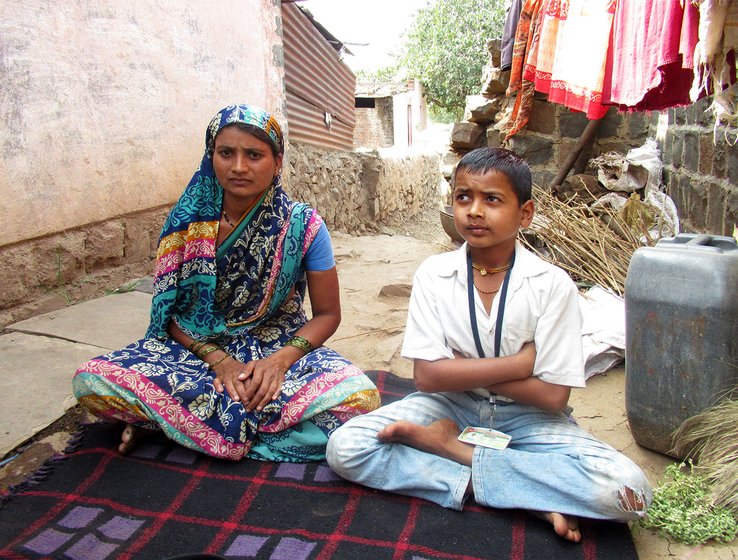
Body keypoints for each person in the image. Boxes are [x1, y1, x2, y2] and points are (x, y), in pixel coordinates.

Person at [326, 147, 652, 542]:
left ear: (525, 214)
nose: (474, 210)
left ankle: (455, 453)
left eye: (492, 199)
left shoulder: (552, 285)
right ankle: (530, 495)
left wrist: (460, 372)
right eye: (464, 197)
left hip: (528, 418)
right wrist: (520, 364)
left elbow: (551, 397)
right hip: (450, 405)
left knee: (628, 491)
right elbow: (428, 377)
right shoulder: (435, 274)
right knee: (346, 448)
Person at [73, 104, 380, 462]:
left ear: (277, 162)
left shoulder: (305, 226)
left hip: (278, 347)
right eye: (226, 153)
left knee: (360, 400)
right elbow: (169, 313)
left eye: (254, 155)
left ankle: (172, 422)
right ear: (211, 156)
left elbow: (327, 315)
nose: (238, 167)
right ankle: (235, 423)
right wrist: (220, 361)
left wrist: (278, 363)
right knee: (91, 380)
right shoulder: (187, 224)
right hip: (193, 353)